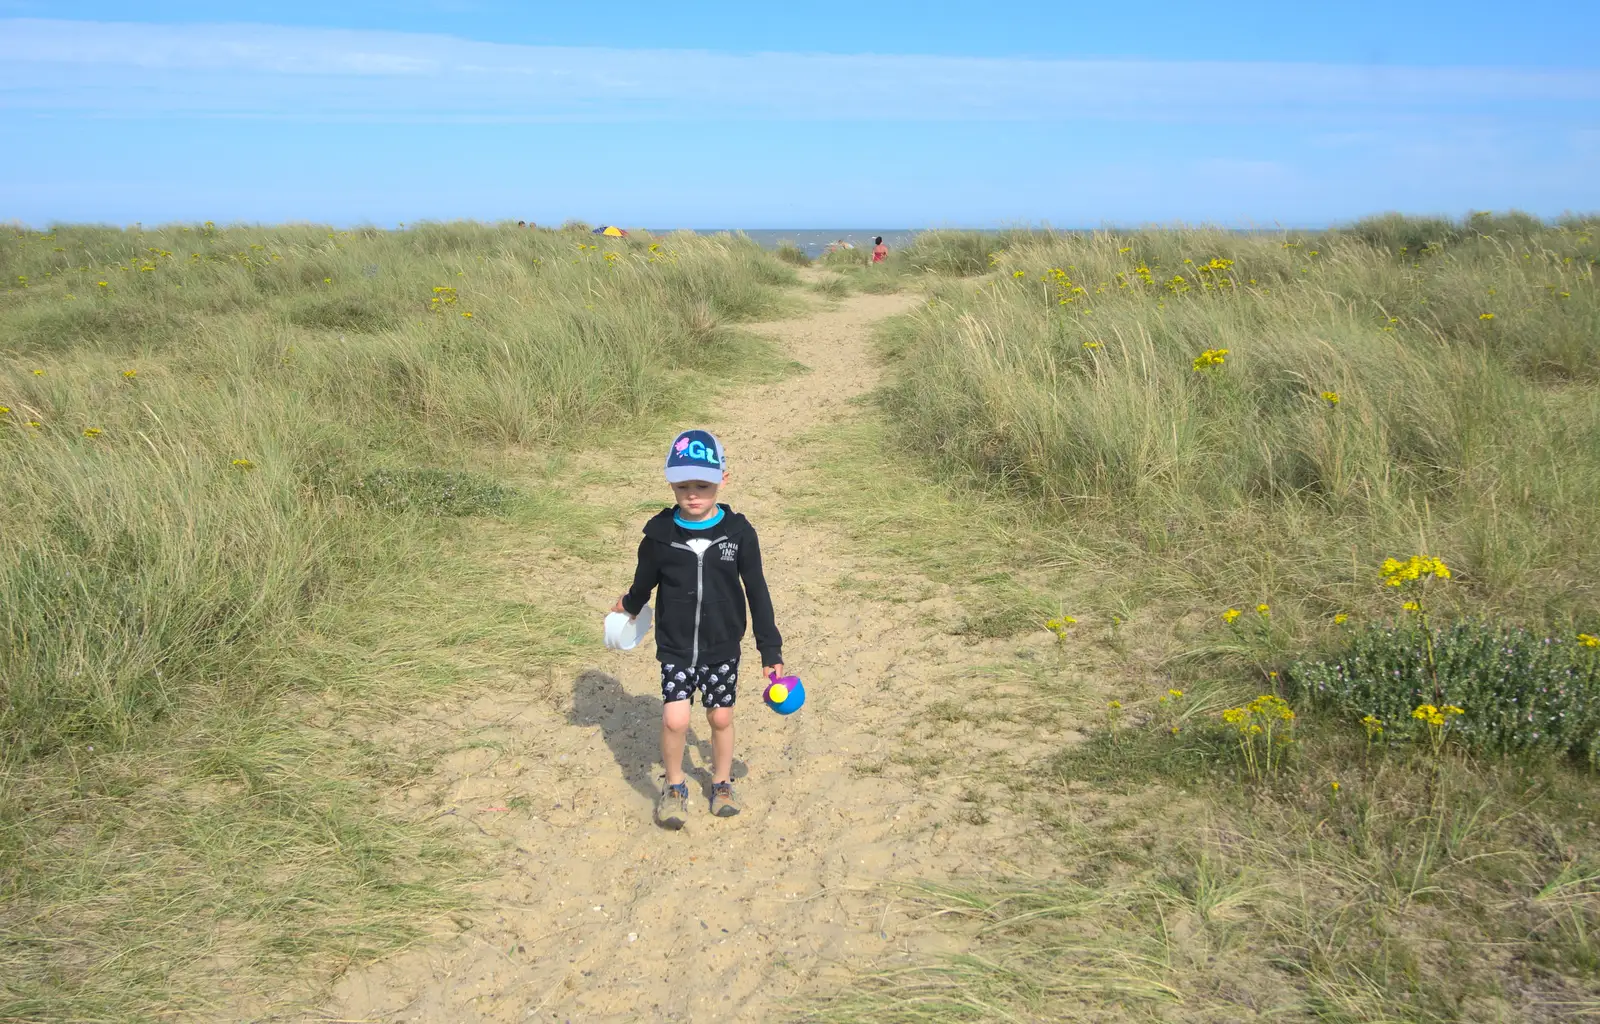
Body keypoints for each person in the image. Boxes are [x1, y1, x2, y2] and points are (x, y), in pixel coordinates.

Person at [612, 429, 784, 828]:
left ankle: (721, 782)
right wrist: (630, 606)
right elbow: (644, 581)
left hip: (722, 646)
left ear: (723, 479)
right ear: (671, 481)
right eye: (683, 485)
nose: (693, 495)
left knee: (720, 718)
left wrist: (770, 651)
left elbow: (757, 591)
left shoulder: (739, 534)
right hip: (675, 646)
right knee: (675, 719)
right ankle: (674, 787)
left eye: (703, 485)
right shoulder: (659, 534)